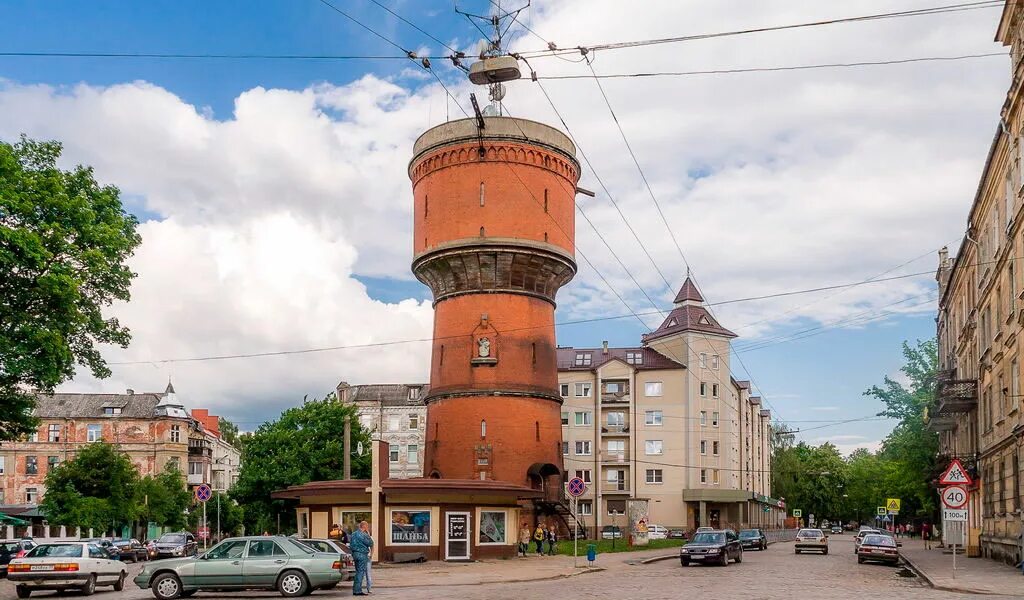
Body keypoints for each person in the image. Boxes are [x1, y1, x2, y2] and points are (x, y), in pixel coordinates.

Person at [350, 521, 374, 596]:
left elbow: (350, 543)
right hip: (362, 555)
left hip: (354, 554)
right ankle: (357, 591)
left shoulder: (353, 534)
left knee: (357, 572)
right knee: (360, 572)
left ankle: (355, 589)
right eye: (367, 526)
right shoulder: (364, 535)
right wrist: (368, 534)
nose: (368, 528)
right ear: (365, 526)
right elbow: (371, 543)